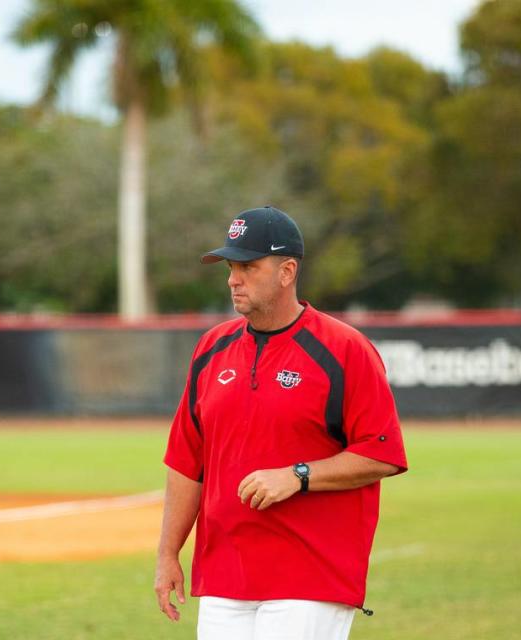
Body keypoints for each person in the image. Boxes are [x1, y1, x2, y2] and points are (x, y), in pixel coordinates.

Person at [154, 205, 408, 640]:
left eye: (248, 267)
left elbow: (380, 453)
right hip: (223, 573)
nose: (234, 279)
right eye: (232, 267)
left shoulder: (345, 350)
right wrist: (167, 554)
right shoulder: (211, 349)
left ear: (287, 271)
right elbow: (186, 461)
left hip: (309, 574)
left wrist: (298, 476)